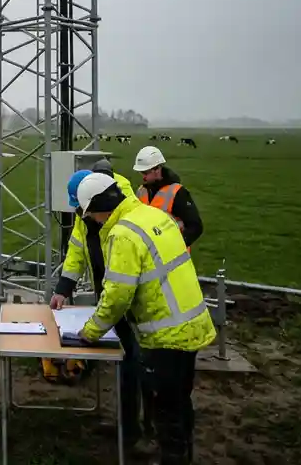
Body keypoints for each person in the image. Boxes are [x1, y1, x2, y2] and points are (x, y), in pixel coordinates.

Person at [74, 172, 216, 465]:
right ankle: (183, 455)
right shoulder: (152, 215)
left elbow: (117, 296)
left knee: (165, 409)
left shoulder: (122, 233)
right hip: (193, 324)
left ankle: (173, 459)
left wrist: (91, 331)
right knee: (180, 401)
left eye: (91, 215)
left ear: (99, 207)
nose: (93, 221)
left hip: (165, 333)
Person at [49, 168, 146, 450]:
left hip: (133, 300)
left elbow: (126, 280)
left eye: (83, 209)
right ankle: (126, 426)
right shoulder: (87, 215)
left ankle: (138, 432)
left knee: (137, 365)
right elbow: (76, 251)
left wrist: (94, 327)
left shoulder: (126, 217)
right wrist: (63, 288)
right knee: (125, 364)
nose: (82, 215)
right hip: (112, 293)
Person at [133, 146, 204, 249]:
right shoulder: (141, 191)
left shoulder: (177, 192)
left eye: (145, 173)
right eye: (141, 173)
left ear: (157, 169)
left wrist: (176, 246)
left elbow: (196, 227)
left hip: (174, 257)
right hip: (149, 253)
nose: (143, 177)